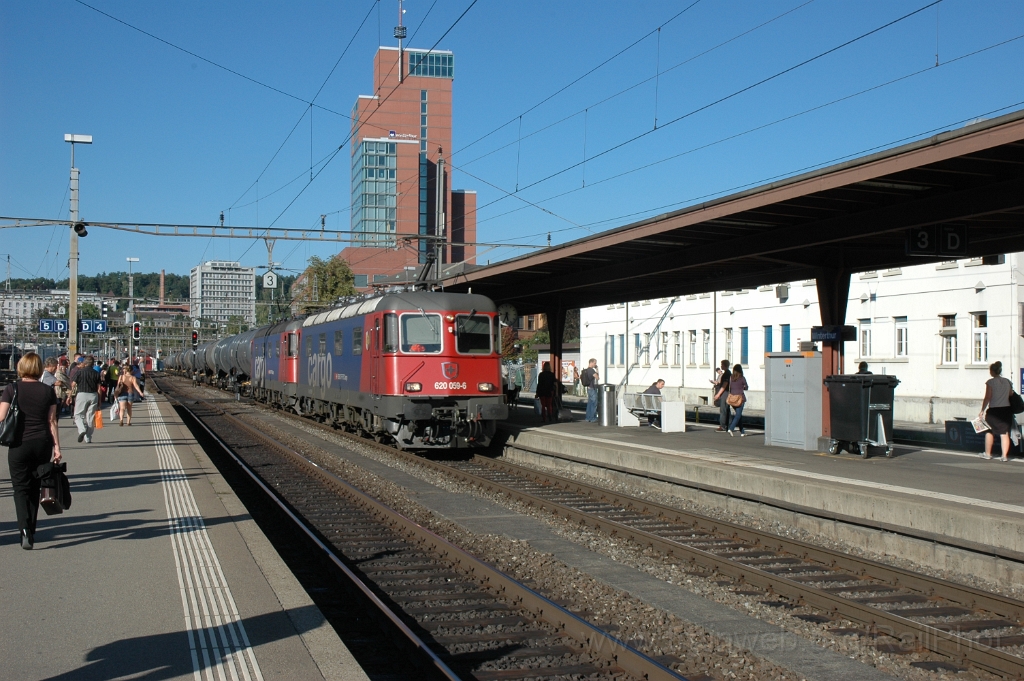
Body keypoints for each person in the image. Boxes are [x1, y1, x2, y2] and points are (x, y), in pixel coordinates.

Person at [0, 353, 62, 549]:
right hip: (42, 444)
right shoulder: (47, 391)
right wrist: (57, 448)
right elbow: (52, 421)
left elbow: (1, 417)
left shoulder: (12, 389)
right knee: (36, 488)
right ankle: (32, 530)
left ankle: (24, 529)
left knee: (20, 489)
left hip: (18, 444)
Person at [979, 360, 1015, 461]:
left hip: (994, 410)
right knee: (1004, 433)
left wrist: (982, 410)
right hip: (1006, 410)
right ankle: (1004, 456)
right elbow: (1010, 394)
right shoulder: (1008, 381)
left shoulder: (990, 382)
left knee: (989, 431)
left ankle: (988, 454)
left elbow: (988, 397)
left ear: (992, 371)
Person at [72, 355, 102, 443]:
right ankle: (88, 437)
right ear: (93, 364)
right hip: (93, 395)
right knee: (90, 417)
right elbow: (99, 388)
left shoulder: (79, 372)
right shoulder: (96, 373)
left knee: (78, 415)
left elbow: (73, 384)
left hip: (82, 394)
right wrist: (99, 400)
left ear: (84, 363)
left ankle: (82, 430)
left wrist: (70, 395)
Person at [114, 362, 145, 426]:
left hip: (122, 394)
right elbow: (136, 386)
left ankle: (121, 420)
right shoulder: (133, 378)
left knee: (122, 408)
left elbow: (118, 386)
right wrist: (140, 392)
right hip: (130, 394)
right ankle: (128, 422)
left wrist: (116, 394)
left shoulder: (121, 377)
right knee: (129, 408)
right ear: (131, 370)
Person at [726, 364, 749, 437]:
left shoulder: (731, 378)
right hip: (740, 399)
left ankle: (742, 432)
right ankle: (731, 428)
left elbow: (730, 387)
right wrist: (743, 387)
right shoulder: (742, 378)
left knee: (739, 416)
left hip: (732, 399)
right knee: (738, 415)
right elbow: (746, 387)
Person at [712, 359, 731, 433]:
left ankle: (723, 426)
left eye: (722, 364)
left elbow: (724, 384)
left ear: (725, 365)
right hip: (725, 393)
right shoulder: (727, 373)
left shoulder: (726, 374)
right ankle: (730, 425)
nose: (721, 366)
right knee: (727, 410)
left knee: (723, 410)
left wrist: (718, 394)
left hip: (725, 393)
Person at [582, 358, 600, 423]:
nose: (595, 364)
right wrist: (597, 369)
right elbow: (597, 377)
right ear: (591, 363)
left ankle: (588, 418)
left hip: (589, 388)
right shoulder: (591, 370)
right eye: (595, 363)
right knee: (594, 403)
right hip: (592, 388)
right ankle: (592, 418)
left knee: (589, 404)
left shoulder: (587, 370)